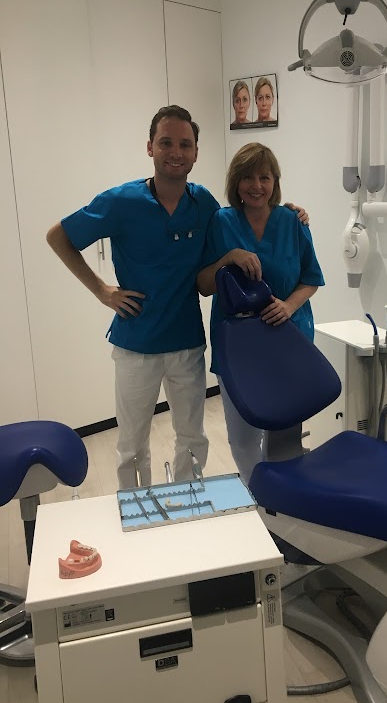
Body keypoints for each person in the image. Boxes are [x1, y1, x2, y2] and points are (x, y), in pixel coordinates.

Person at [46, 106, 307, 490]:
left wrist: (289, 213)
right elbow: (58, 237)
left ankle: (189, 505)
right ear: (150, 147)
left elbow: (244, 216)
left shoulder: (203, 204)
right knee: (131, 444)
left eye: (185, 144)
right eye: (166, 142)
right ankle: (134, 505)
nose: (176, 152)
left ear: (196, 152)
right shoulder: (120, 202)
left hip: (186, 342)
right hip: (136, 343)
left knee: (192, 438)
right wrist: (102, 290)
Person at [197, 143, 324, 484]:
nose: (256, 186)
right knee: (242, 438)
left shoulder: (293, 221)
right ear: (235, 182)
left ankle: (286, 503)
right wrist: (229, 258)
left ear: (275, 182)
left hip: (288, 339)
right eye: (248, 177)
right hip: (237, 347)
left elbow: (311, 279)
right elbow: (204, 285)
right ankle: (261, 499)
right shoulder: (221, 222)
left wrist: (289, 305)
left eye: (265, 178)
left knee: (285, 437)